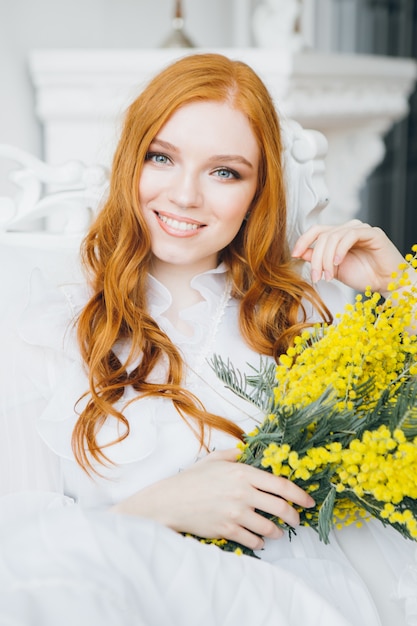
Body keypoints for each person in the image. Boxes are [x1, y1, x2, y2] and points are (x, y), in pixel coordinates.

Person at [0, 52, 415, 626]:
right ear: (131, 163)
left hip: (284, 600)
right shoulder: (46, 333)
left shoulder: (300, 318)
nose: (186, 195)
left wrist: (400, 288)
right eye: (162, 157)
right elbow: (19, 551)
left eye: (225, 172)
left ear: (256, 192)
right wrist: (158, 509)